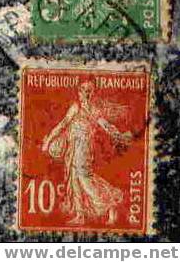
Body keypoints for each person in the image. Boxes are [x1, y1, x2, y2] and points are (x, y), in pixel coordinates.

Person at [40, 81, 134, 226]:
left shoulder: (94, 110)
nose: (86, 93)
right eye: (84, 90)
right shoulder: (75, 108)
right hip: (73, 148)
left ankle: (109, 204)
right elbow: (62, 124)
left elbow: (105, 125)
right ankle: (80, 215)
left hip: (84, 149)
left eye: (89, 91)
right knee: (74, 181)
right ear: (79, 92)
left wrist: (119, 135)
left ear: (92, 93)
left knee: (85, 180)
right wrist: (48, 142)